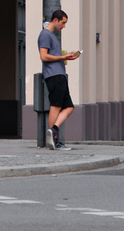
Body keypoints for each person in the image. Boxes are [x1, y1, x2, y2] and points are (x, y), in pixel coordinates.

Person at [38, 9, 80, 150]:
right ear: (55, 20)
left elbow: (51, 55)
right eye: (63, 23)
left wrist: (66, 56)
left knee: (69, 107)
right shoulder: (45, 34)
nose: (64, 26)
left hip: (59, 74)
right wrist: (63, 57)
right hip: (54, 75)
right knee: (55, 106)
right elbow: (44, 56)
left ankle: (53, 130)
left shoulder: (50, 36)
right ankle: (53, 138)